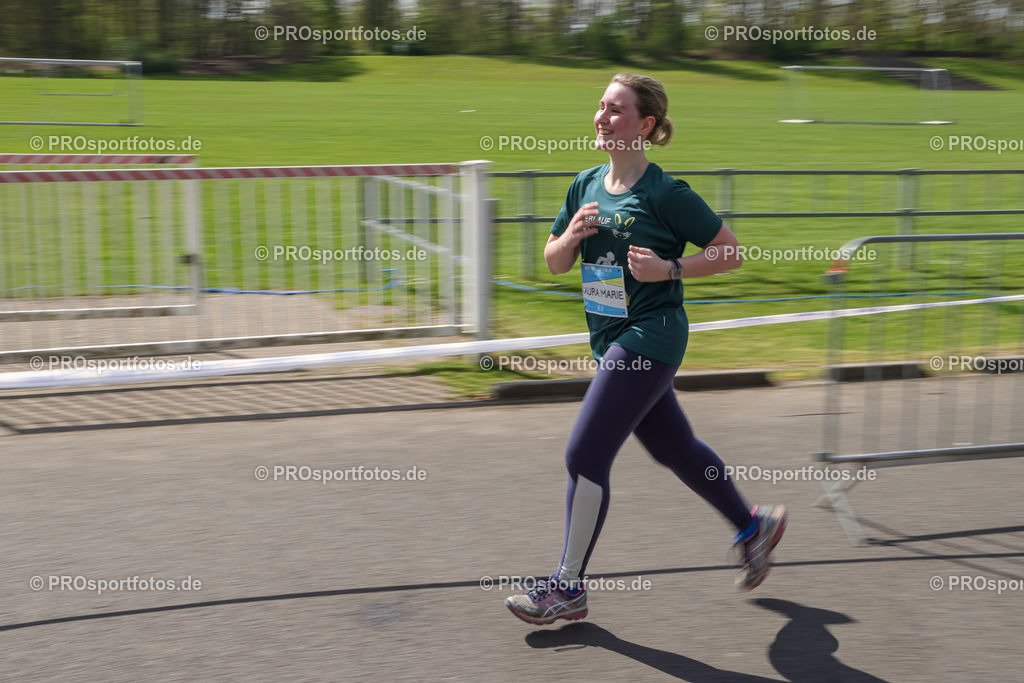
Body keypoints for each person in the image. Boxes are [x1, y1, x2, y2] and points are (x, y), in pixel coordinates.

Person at [505, 73, 787, 626]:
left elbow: (730, 252)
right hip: (609, 337)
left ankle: (567, 587)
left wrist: (670, 269)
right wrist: (568, 240)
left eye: (616, 110)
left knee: (584, 456)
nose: (602, 118)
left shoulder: (665, 193)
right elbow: (554, 261)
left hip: (650, 334)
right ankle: (754, 525)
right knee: (674, 448)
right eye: (600, 107)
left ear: (645, 124)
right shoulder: (584, 184)